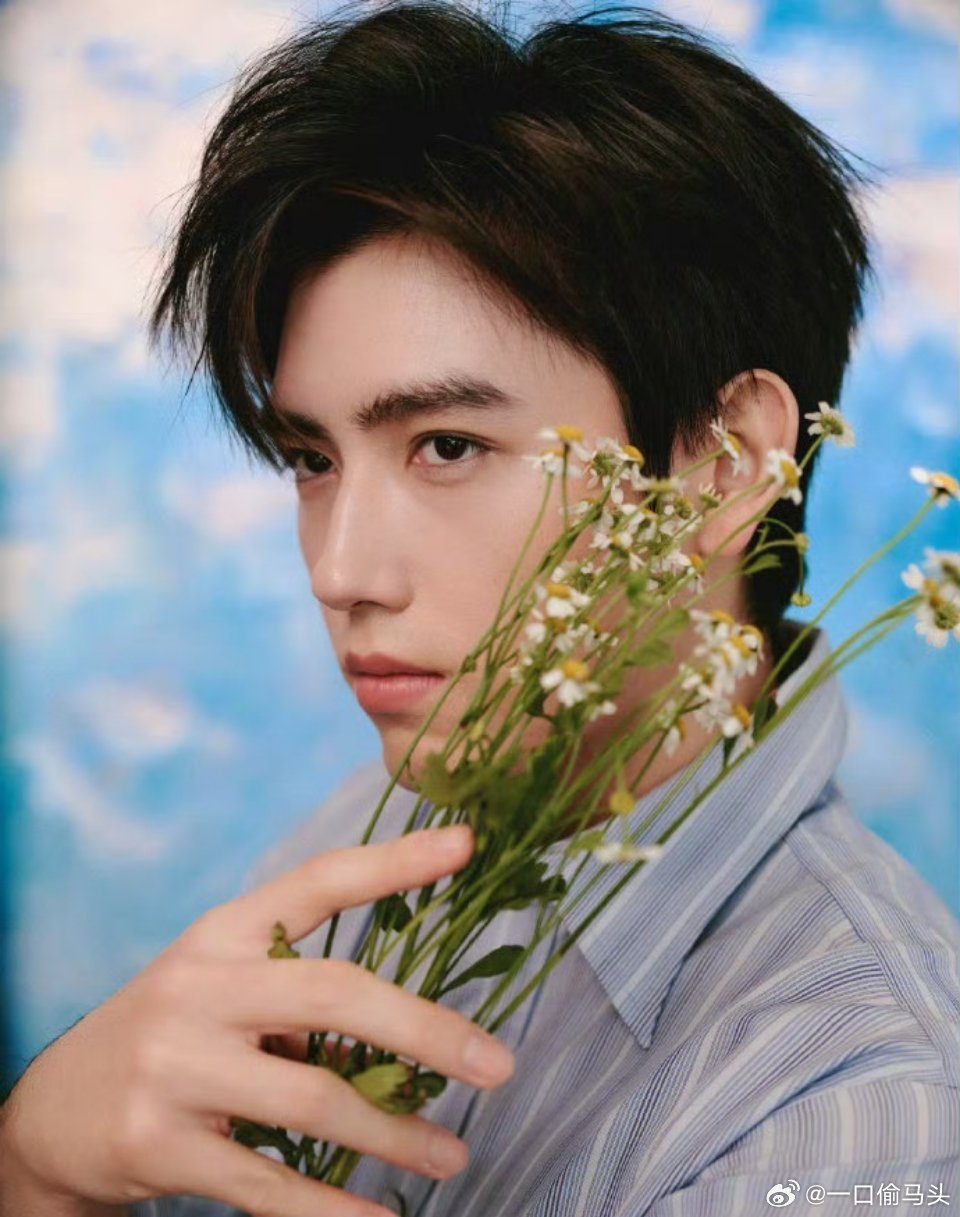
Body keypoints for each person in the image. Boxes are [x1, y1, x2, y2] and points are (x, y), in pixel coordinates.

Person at [2, 3, 958, 1215]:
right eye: (311, 457)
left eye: (447, 444)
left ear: (728, 465)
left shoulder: (861, 1116)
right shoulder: (364, 842)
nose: (340, 568)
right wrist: (33, 1167)